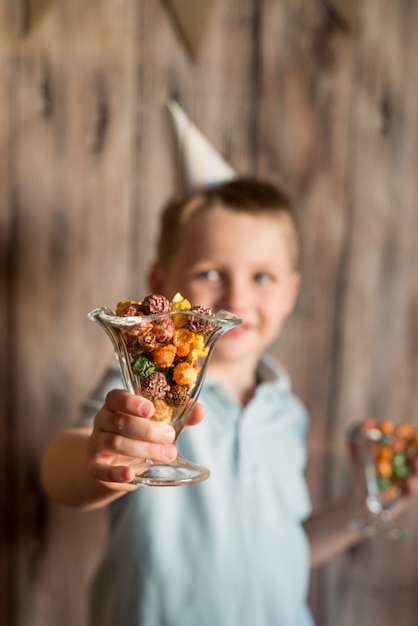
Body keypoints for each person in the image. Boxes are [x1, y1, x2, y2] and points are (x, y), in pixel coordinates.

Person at [40, 177, 417, 626]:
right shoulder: (139, 389)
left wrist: (363, 507)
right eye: (210, 273)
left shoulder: (287, 414)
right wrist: (96, 457)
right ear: (161, 282)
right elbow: (59, 471)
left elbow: (281, 552)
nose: (237, 297)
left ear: (290, 293)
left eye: (262, 276)